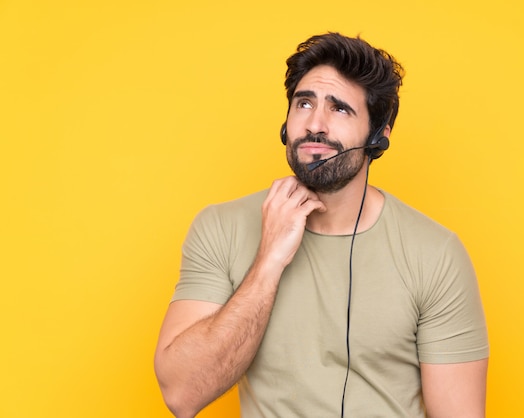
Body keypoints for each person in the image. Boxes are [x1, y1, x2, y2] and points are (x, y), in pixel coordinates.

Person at [154, 32, 489, 418]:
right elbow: (181, 394)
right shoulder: (220, 228)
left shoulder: (436, 254)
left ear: (379, 138)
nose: (315, 124)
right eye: (304, 103)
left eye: (340, 109)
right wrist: (268, 261)